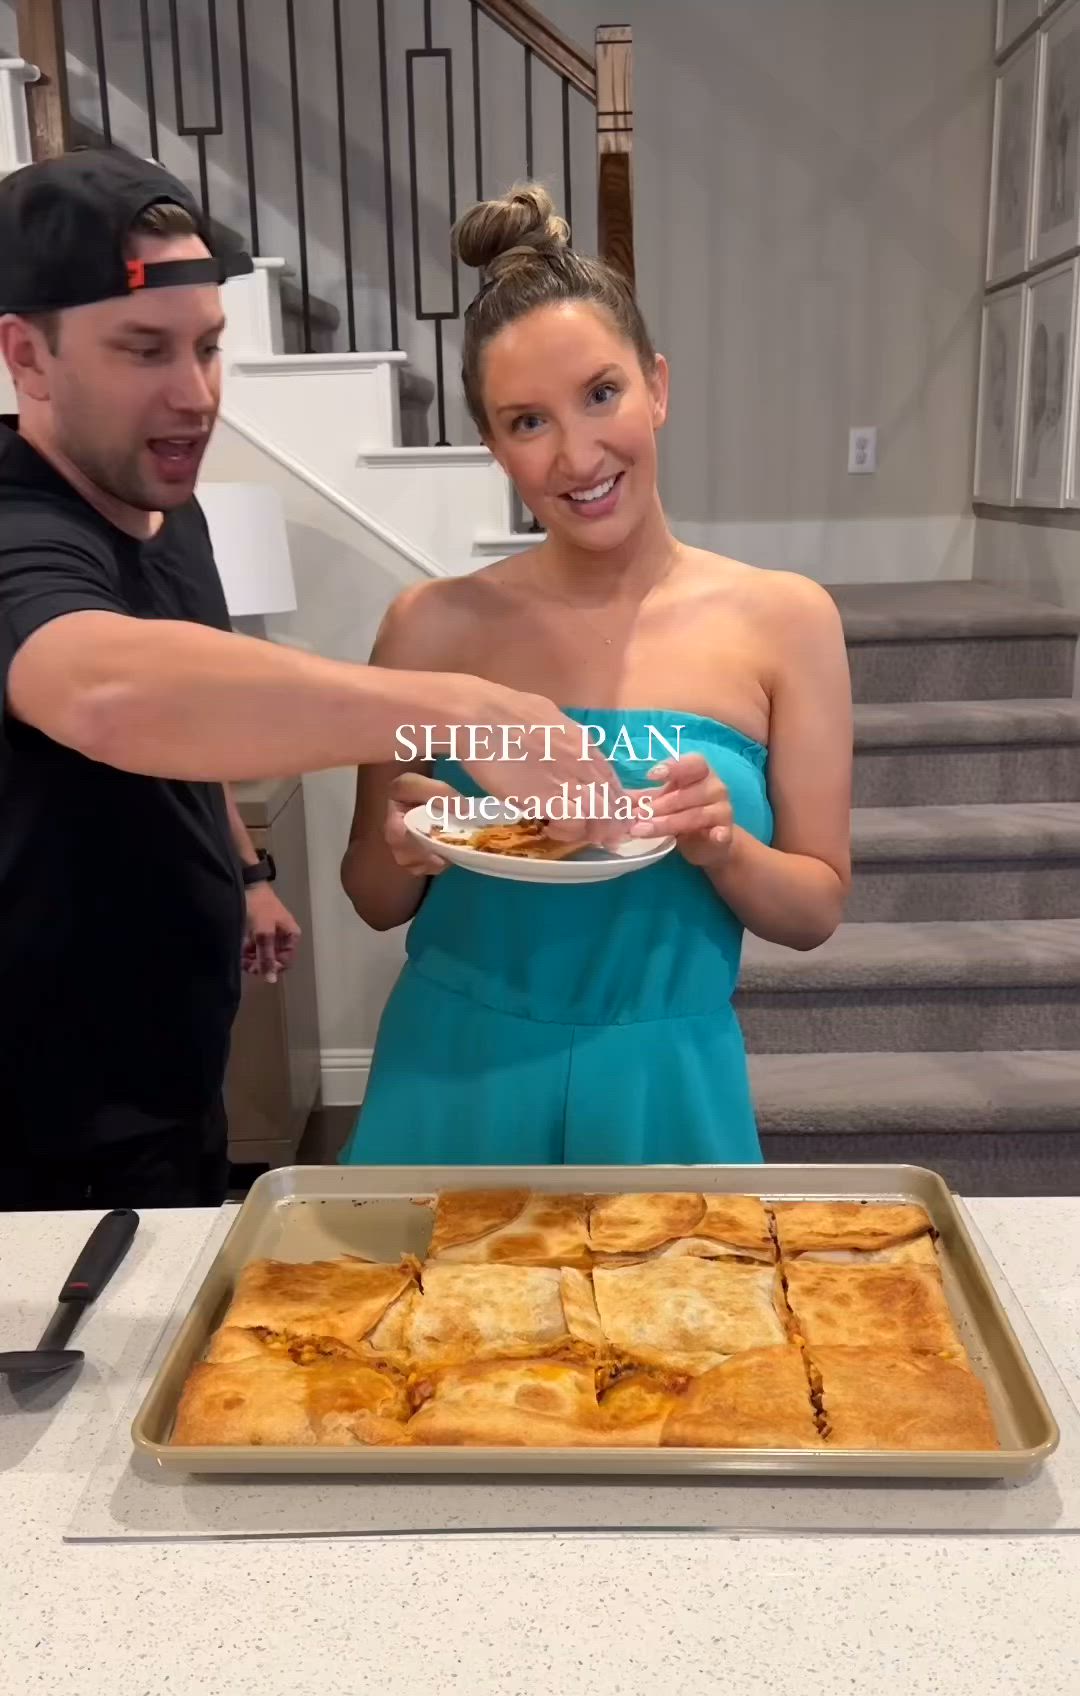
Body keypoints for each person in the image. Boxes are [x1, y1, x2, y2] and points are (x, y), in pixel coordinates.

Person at [0, 152, 626, 1210]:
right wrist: (464, 709)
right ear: (29, 356)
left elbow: (190, 716)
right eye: (144, 349)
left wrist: (243, 874)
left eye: (208, 347)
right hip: (37, 1115)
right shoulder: (19, 527)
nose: (194, 395)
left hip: (171, 1075)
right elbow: (102, 689)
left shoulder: (169, 511)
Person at [340, 183, 853, 1167]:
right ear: (493, 447)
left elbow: (817, 908)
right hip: (453, 1074)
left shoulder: (787, 621)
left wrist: (722, 846)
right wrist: (403, 841)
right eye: (527, 422)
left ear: (656, 385)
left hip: (668, 1080)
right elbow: (371, 895)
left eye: (602, 394)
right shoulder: (426, 626)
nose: (578, 455)